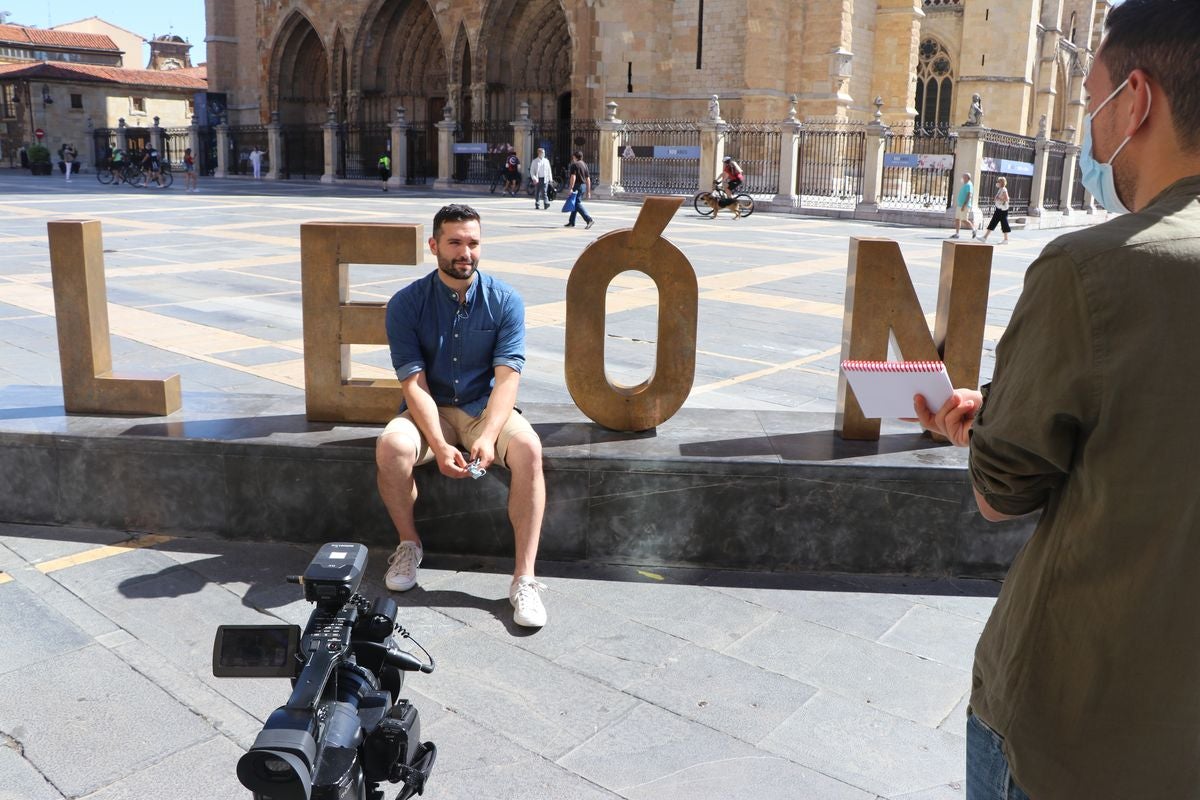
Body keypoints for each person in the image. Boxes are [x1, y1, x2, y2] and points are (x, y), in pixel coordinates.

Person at [914, 1, 1200, 796]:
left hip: (1073, 722)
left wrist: (984, 430)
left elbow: (1001, 494)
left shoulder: (1093, 270)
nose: (1090, 129)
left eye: (1093, 101)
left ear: (1136, 100)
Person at [376, 204, 548, 629]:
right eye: (454, 242)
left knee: (528, 446)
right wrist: (437, 444)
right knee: (392, 445)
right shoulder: (406, 304)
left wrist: (489, 436)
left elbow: (507, 379)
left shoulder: (505, 300)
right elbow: (413, 384)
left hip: (482, 408)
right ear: (433, 245)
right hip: (429, 409)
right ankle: (408, 545)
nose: (464, 252)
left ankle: (524, 578)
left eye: (472, 242)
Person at [563, 150, 594, 230]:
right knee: (575, 203)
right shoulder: (584, 165)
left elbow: (573, 177)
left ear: (574, 157)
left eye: (573, 157)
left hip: (577, 186)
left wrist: (570, 188)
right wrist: (588, 191)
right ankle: (571, 222)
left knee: (577, 203)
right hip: (583, 186)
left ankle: (589, 219)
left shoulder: (574, 165)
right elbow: (588, 179)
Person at [981, 176, 1010, 244]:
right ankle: (985, 237)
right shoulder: (1000, 189)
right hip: (999, 209)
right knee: (995, 222)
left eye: (998, 182)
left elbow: (1006, 199)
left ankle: (1005, 240)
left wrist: (998, 199)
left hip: (1002, 210)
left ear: (1001, 183)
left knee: (1003, 224)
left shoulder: (1004, 189)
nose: (997, 183)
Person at [949, 172, 976, 239]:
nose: (962, 178)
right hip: (960, 205)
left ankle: (974, 229)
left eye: (963, 177)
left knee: (964, 220)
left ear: (967, 178)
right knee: (957, 219)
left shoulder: (969, 185)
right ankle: (957, 233)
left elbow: (969, 195)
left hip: (964, 205)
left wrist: (964, 205)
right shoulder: (965, 184)